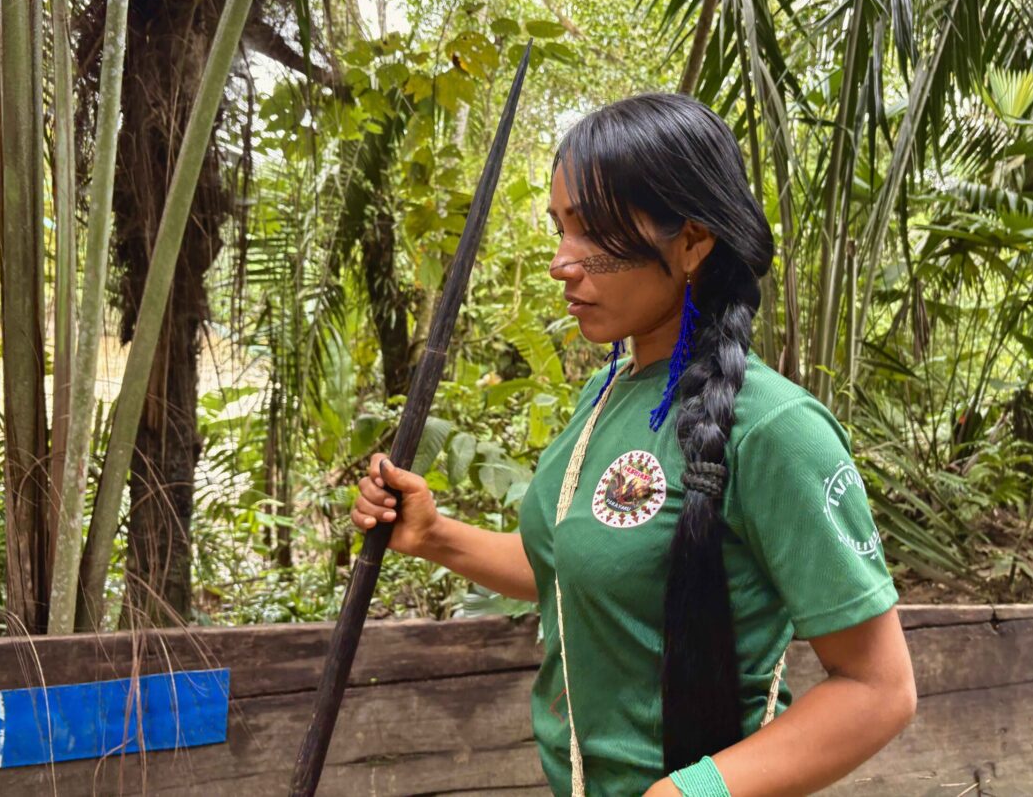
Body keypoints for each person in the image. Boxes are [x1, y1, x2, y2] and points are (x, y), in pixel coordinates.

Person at [352, 93, 916, 796]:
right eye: (559, 229)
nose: (562, 262)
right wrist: (435, 535)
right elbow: (579, 566)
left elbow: (879, 688)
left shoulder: (774, 429)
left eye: (593, 233)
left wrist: (689, 793)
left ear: (692, 242)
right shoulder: (607, 395)